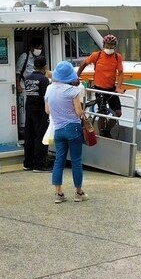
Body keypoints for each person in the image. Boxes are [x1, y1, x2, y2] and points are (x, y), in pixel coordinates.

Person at [45, 61, 88, 203]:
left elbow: (47, 111)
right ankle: (78, 192)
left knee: (59, 161)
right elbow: (78, 111)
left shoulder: (49, 89)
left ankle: (58, 193)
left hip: (58, 129)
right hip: (73, 128)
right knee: (76, 161)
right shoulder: (73, 91)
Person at [76, 34, 123, 136]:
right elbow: (84, 64)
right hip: (99, 88)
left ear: (115, 46)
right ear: (103, 44)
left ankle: (107, 130)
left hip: (111, 89)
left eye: (112, 45)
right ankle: (102, 133)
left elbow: (120, 73)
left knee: (118, 113)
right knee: (101, 112)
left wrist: (118, 86)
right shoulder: (96, 55)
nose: (109, 48)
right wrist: (77, 76)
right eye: (107, 45)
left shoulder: (117, 57)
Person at [23, 56, 52, 172]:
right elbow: (46, 96)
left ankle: (28, 163)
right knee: (41, 136)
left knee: (29, 136)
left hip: (29, 109)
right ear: (44, 67)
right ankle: (39, 164)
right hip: (40, 110)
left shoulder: (27, 78)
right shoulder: (44, 80)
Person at [16, 40, 44, 130]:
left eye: (40, 48)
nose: (38, 50)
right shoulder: (25, 57)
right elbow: (18, 72)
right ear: (31, 48)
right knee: (23, 106)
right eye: (37, 48)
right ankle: (23, 127)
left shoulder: (39, 58)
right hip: (24, 85)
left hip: (35, 85)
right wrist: (18, 85)